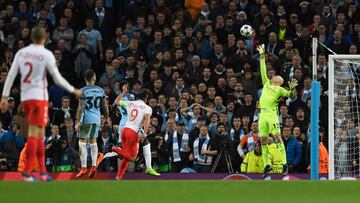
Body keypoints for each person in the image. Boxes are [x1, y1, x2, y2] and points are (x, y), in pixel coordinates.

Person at [0, 26, 81, 181]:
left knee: (38, 134)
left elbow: (10, 75)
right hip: (39, 98)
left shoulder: (22, 53)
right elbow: (57, 79)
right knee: (36, 135)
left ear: (32, 37)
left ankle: (40, 171)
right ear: (44, 39)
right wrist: (73, 90)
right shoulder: (46, 54)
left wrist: (4, 96)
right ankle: (30, 172)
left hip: (26, 98)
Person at [256, 44, 298, 178]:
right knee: (262, 140)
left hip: (272, 115)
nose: (274, 76)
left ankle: (284, 163)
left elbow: (291, 96)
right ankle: (267, 165)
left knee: (277, 138)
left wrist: (291, 90)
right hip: (262, 115)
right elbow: (263, 70)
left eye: (278, 76)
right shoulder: (267, 84)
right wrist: (262, 56)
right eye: (274, 76)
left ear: (280, 81)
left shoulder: (280, 90)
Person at [111, 81, 159, 176]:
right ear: (146, 98)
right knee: (132, 158)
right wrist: (144, 133)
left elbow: (116, 102)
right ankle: (114, 149)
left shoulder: (130, 103)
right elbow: (147, 121)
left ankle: (119, 175)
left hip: (124, 130)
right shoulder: (147, 108)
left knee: (129, 152)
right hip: (133, 132)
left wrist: (123, 92)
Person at [75, 69, 109, 178]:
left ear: (85, 78)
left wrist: (78, 122)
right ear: (94, 78)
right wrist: (107, 117)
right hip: (97, 118)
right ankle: (94, 165)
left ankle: (84, 167)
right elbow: (105, 105)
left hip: (86, 119)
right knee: (93, 141)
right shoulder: (100, 90)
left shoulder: (83, 91)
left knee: (82, 141)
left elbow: (80, 108)